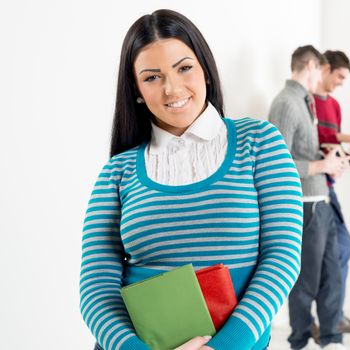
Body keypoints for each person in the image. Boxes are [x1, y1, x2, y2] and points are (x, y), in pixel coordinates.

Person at [79, 9, 303, 350]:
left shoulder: (260, 142)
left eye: (184, 68)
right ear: (136, 89)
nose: (172, 88)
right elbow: (96, 287)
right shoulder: (117, 172)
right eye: (152, 77)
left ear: (206, 71)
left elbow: (282, 257)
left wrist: (225, 346)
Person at [268, 46, 347, 350]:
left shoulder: (306, 102)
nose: (323, 77)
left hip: (321, 200)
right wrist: (319, 166)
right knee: (305, 282)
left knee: (332, 277)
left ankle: (331, 339)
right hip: (303, 205)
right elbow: (277, 162)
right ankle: (299, 340)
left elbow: (303, 153)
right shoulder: (286, 103)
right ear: (312, 66)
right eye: (322, 70)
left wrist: (329, 160)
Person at [311, 50, 350, 339]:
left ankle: (331, 315)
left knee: (341, 248)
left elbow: (331, 146)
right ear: (324, 69)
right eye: (340, 77)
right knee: (335, 249)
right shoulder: (306, 101)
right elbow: (310, 145)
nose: (341, 83)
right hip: (310, 191)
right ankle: (327, 317)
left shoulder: (334, 105)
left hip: (329, 186)